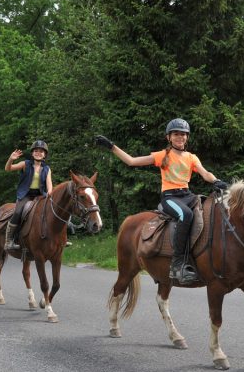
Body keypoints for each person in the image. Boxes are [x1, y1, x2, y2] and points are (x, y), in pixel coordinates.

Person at [95, 118, 227, 284]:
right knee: (185, 215)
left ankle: (201, 258)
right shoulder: (162, 155)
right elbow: (131, 161)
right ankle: (177, 264)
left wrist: (216, 181)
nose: (180, 137)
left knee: (208, 212)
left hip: (188, 195)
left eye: (183, 134)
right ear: (169, 137)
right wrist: (111, 147)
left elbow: (205, 173)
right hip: (170, 197)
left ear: (187, 137)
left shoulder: (191, 157)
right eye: (176, 134)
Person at [4, 140, 54, 250]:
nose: (38, 153)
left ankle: (59, 238)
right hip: (25, 195)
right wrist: (11, 159)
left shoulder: (46, 169)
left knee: (53, 210)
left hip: (40, 195)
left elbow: (49, 185)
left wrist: (50, 194)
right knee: (17, 212)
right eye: (36, 151)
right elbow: (8, 169)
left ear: (45, 154)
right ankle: (9, 240)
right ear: (32, 153)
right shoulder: (25, 164)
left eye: (41, 151)